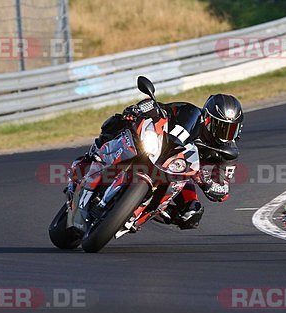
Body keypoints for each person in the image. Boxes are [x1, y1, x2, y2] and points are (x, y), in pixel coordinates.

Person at [70, 93, 244, 230]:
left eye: (230, 129)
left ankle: (141, 214)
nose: (224, 133)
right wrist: (141, 109)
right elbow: (160, 109)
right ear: (207, 119)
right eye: (220, 126)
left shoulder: (228, 154)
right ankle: (95, 157)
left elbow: (223, 188)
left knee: (192, 212)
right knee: (118, 123)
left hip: (181, 172)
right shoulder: (188, 112)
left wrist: (208, 184)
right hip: (159, 149)